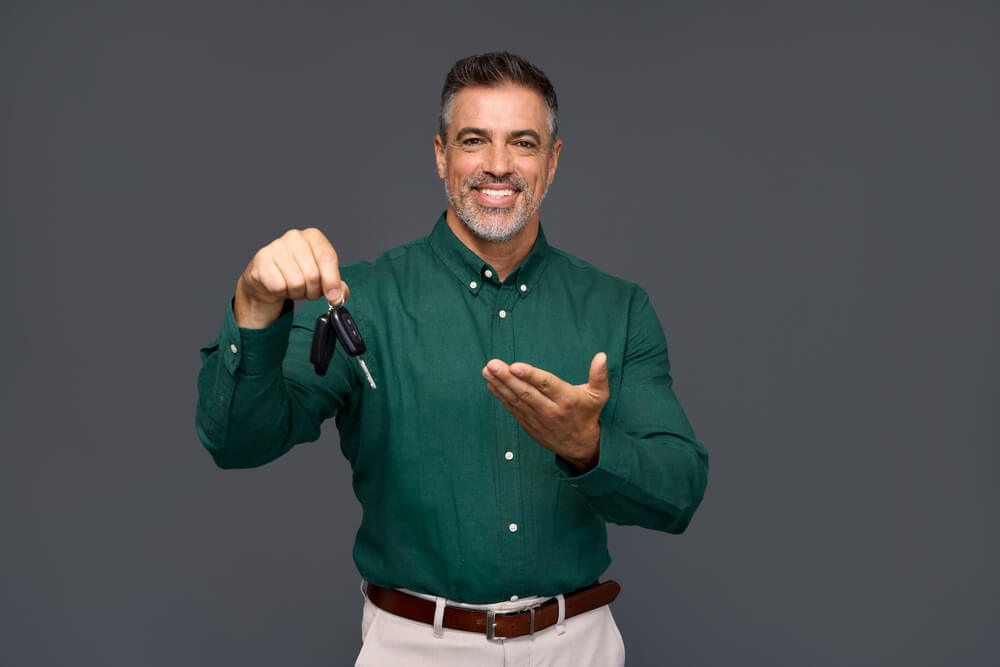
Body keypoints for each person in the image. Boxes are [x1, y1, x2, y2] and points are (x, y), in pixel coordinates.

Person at [196, 51, 708, 666]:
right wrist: (253, 306)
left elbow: (679, 493)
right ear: (441, 155)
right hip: (416, 649)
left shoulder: (618, 308)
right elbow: (237, 442)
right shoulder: (357, 300)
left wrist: (586, 446)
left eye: (522, 142)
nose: (497, 165)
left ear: (552, 161)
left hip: (579, 649)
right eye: (474, 140)